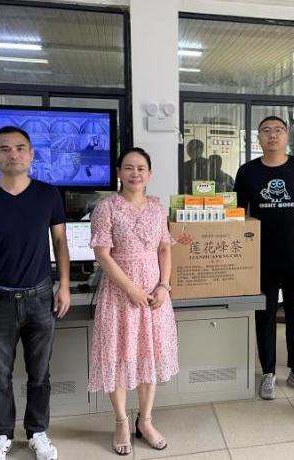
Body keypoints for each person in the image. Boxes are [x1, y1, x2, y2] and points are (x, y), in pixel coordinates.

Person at [0, 126, 71, 460]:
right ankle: (2, 435)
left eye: (21, 148)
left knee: (40, 374)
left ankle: (37, 432)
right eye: (5, 149)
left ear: (31, 154)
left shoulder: (48, 194)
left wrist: (64, 286)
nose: (14, 154)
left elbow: (60, 243)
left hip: (40, 297)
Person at [88, 147, 178, 455]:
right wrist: (130, 289)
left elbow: (164, 248)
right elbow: (102, 254)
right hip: (119, 294)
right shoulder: (106, 208)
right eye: (128, 167)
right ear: (118, 173)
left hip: (154, 295)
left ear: (149, 174)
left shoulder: (157, 207)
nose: (135, 173)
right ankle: (121, 423)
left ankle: (146, 421)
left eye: (141, 168)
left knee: (148, 355)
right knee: (119, 356)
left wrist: (164, 285)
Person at [234, 116, 294, 400]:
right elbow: (237, 214)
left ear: (287, 136)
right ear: (258, 138)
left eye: (278, 130)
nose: (272, 135)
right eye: (266, 131)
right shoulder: (247, 172)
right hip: (261, 257)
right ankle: (268, 373)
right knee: (265, 315)